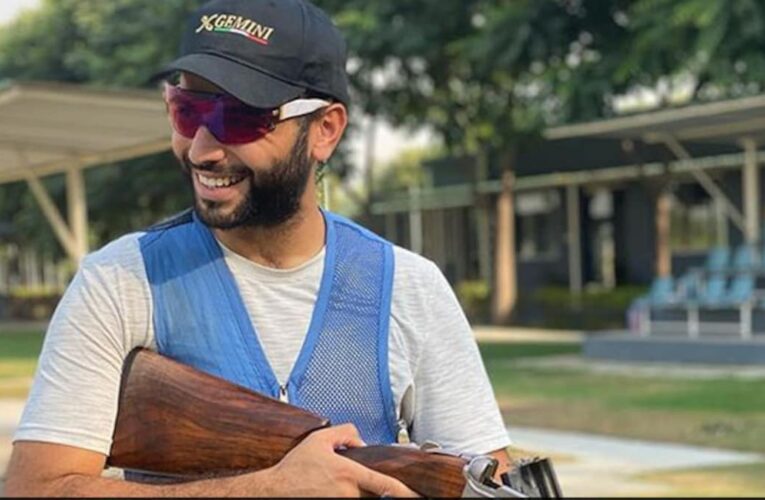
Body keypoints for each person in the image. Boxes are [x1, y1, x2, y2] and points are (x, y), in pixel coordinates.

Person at [5, 0, 512, 496]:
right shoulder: (118, 281)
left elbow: (487, 481)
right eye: (187, 111)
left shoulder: (411, 286)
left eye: (240, 119)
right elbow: (36, 488)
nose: (202, 149)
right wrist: (270, 488)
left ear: (325, 130)